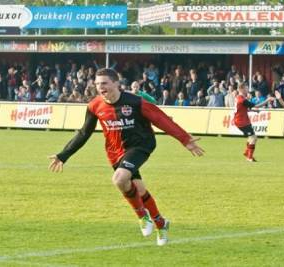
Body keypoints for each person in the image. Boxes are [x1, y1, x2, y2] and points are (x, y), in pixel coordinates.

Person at [48, 68, 204, 246]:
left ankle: (142, 216)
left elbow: (161, 119)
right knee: (139, 189)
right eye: (98, 84)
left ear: (116, 83)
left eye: (105, 83)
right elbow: (84, 133)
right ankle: (161, 224)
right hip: (115, 152)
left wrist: (184, 139)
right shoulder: (94, 106)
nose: (100, 87)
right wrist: (63, 155)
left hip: (141, 145)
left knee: (119, 179)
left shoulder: (136, 102)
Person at [234, 83, 273, 162]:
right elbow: (256, 105)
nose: (248, 90)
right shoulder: (242, 99)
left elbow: (243, 108)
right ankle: (249, 157)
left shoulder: (239, 98)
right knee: (253, 138)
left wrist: (253, 110)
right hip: (241, 121)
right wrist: (267, 100)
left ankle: (247, 152)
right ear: (241, 89)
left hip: (243, 120)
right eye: (246, 88)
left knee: (251, 137)